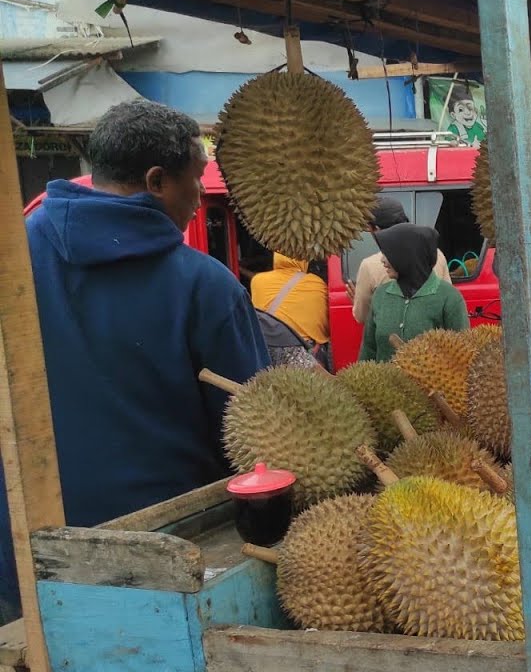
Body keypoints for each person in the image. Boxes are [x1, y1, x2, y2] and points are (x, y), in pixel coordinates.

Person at [0, 99, 269, 622]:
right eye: (195, 179)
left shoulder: (12, 259)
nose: (200, 197)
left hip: (22, 554)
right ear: (156, 180)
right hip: (163, 562)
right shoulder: (207, 288)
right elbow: (255, 436)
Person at [359, 223, 468, 362]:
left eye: (388, 254)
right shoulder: (381, 295)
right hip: (384, 383)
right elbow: (369, 350)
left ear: (408, 255)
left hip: (428, 384)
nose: (383, 260)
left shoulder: (449, 298)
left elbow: (462, 356)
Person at [348, 197, 451, 326]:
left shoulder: (369, 266)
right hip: (433, 339)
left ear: (377, 229)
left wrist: (357, 304)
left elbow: (363, 317)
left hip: (394, 341)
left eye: (370, 230)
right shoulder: (437, 254)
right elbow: (448, 302)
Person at [251, 252, 331, 370]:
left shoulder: (257, 281)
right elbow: (324, 328)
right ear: (303, 260)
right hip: (303, 350)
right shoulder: (317, 283)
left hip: (266, 347)